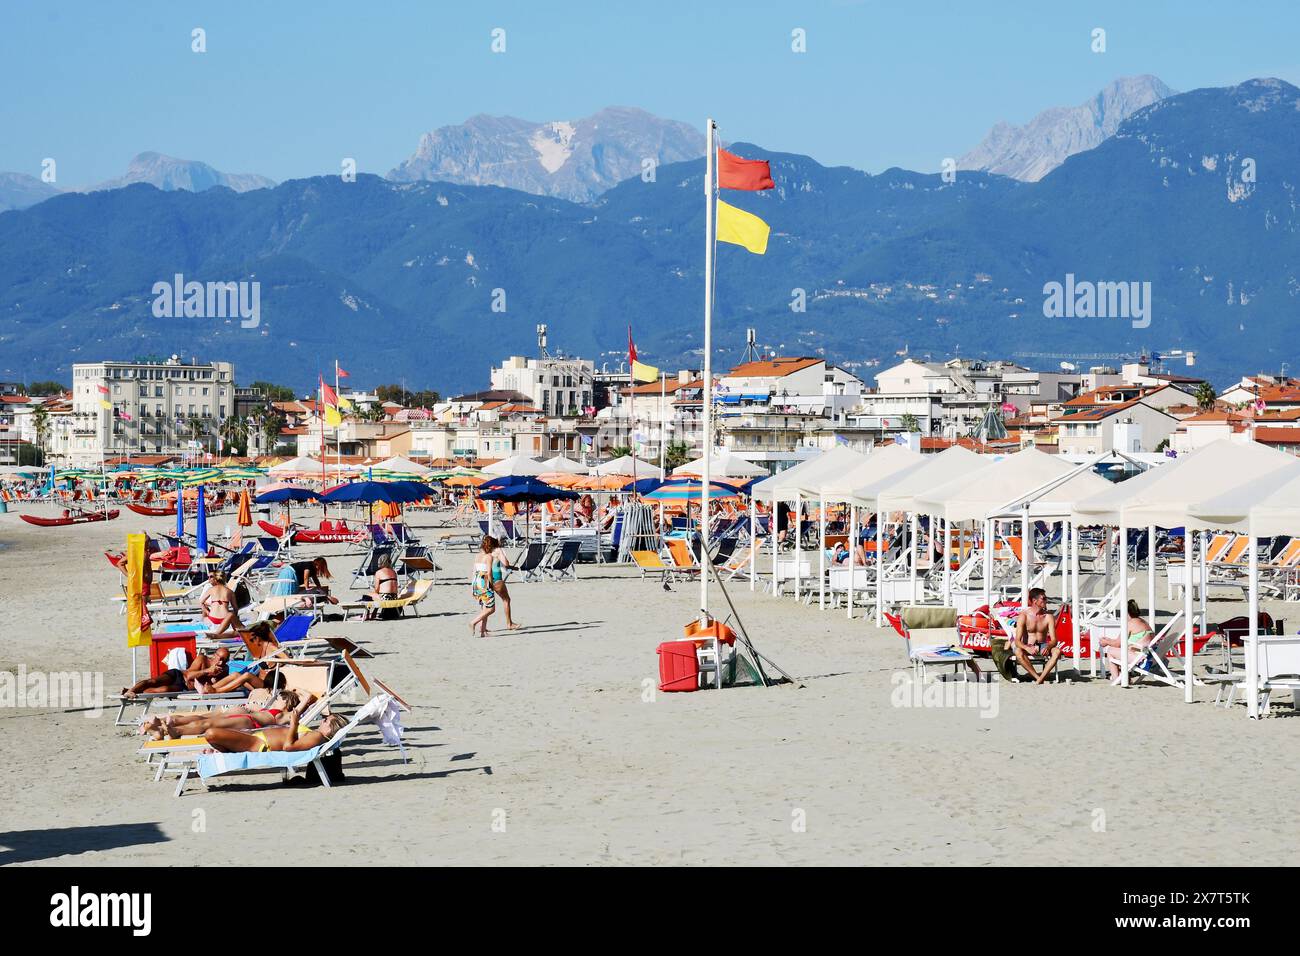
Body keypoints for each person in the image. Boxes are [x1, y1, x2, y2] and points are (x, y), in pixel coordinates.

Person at [203, 696, 348, 753]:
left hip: (259, 743)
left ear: (330, 728)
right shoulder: (315, 735)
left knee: (210, 733)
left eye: (326, 720)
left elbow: (289, 747)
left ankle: (226, 753)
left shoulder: (317, 736)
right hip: (255, 737)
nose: (322, 720)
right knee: (212, 733)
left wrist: (294, 724)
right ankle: (225, 752)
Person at [139, 691, 305, 740]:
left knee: (207, 725)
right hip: (244, 715)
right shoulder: (272, 708)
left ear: (288, 703)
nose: (276, 700)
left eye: (281, 699)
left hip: (249, 721)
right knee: (205, 719)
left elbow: (308, 699)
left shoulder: (286, 715)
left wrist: (299, 695)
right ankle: (161, 727)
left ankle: (175, 731)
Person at [121, 647, 230, 698]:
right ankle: (132, 690)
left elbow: (217, 686)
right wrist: (207, 671)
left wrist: (214, 681)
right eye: (219, 658)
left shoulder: (224, 670)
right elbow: (189, 675)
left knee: (164, 690)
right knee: (153, 681)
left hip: (185, 687)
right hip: (179, 675)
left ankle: (137, 690)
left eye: (224, 660)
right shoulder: (202, 659)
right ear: (214, 655)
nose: (220, 662)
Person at [1012, 587, 1062, 684]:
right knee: (1018, 652)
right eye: (1043, 598)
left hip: (1043, 645)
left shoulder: (1048, 617)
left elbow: (1054, 640)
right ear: (1034, 601)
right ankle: (1037, 677)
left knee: (1057, 651)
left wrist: (1049, 646)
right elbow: (1017, 641)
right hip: (1029, 645)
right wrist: (1027, 647)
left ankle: (1040, 678)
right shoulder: (1024, 616)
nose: (1046, 600)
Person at [1102, 600, 1155, 681]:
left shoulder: (1130, 624)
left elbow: (1117, 644)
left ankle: (1116, 678)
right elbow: (1120, 642)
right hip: (1151, 656)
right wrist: (1109, 640)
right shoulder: (1143, 622)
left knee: (1110, 650)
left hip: (1141, 659)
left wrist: (1106, 642)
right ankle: (1122, 676)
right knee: (1121, 650)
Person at [484, 536, 522, 631]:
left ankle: (483, 627)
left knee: (486, 603)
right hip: (496, 578)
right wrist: (501, 553)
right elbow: (506, 563)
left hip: (484, 579)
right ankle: (509, 624)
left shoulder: (484, 552)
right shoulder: (497, 550)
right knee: (506, 600)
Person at [469, 537, 498, 637]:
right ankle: (473, 622)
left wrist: (472, 586)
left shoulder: (477, 555)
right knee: (491, 609)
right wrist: (492, 585)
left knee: (484, 608)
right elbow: (489, 573)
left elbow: (474, 571)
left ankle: (483, 631)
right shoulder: (489, 556)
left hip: (476, 581)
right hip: (484, 581)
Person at [361, 552, 401, 620]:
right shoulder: (393, 572)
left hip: (385, 597)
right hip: (394, 597)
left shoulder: (379, 572)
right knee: (379, 595)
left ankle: (367, 614)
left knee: (368, 595)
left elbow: (376, 589)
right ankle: (374, 612)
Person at [200, 570, 239, 636]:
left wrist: (206, 611)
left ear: (215, 579)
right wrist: (233, 619)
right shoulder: (230, 591)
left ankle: (205, 623)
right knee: (231, 613)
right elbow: (235, 608)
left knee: (204, 612)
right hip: (224, 618)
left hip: (212, 618)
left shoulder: (211, 589)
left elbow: (201, 602)